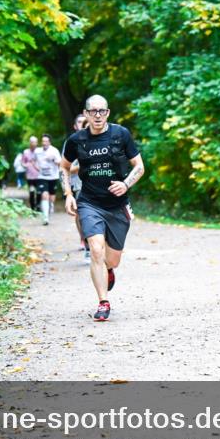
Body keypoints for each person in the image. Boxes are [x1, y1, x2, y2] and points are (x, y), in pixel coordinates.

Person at [61, 95, 145, 322]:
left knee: (112, 259)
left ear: (107, 113)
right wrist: (68, 194)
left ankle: (108, 270)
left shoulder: (121, 135)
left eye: (102, 111)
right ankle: (103, 302)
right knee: (96, 250)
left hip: (117, 205)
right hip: (89, 202)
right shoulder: (76, 140)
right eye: (93, 111)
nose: (97, 115)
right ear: (86, 114)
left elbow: (139, 166)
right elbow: (65, 167)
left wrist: (125, 183)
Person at [65, 115, 91, 263]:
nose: (84, 125)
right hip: (80, 184)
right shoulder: (73, 142)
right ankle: (87, 245)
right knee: (81, 216)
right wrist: (67, 192)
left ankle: (97, 245)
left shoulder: (102, 138)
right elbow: (65, 167)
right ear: (76, 126)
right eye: (80, 122)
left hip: (100, 184)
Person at [35, 134, 62, 225]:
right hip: (42, 177)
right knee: (44, 195)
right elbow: (34, 161)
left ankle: (50, 205)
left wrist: (53, 159)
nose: (44, 143)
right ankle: (45, 217)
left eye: (46, 141)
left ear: (49, 142)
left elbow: (60, 162)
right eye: (43, 141)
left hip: (53, 176)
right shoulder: (37, 151)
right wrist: (36, 167)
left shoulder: (54, 151)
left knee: (51, 197)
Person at [21, 136, 41, 212]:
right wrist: (27, 165)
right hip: (30, 176)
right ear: (30, 143)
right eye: (32, 142)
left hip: (39, 175)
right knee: (32, 192)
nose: (34, 144)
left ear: (37, 143)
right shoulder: (26, 152)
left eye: (35, 142)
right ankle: (33, 207)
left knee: (39, 192)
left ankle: (38, 206)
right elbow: (22, 162)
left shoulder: (39, 151)